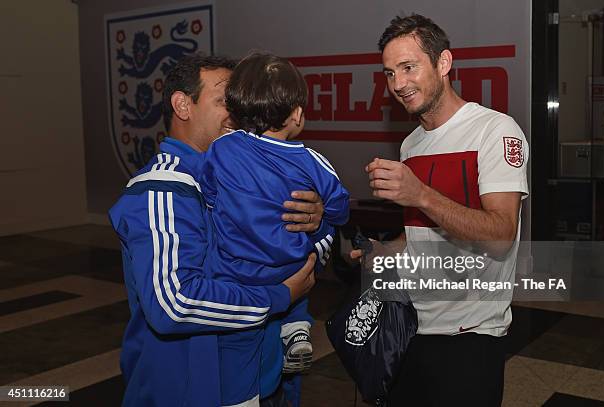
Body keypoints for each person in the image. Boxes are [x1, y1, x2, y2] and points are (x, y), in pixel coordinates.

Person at [108, 54, 326, 407]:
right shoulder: (164, 188)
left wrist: (314, 221)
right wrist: (278, 297)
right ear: (182, 105)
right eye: (225, 100)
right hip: (192, 391)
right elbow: (174, 305)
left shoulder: (246, 176)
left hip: (263, 382)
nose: (238, 112)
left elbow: (291, 259)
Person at [359, 14, 529, 406]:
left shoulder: (495, 130)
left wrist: (421, 194)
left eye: (408, 67)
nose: (398, 84)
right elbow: (424, 232)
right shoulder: (411, 145)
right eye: (389, 73)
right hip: (410, 326)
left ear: (443, 63)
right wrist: (383, 252)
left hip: (470, 334)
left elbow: (502, 235)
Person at [202, 52, 350, 406]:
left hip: (235, 279)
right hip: (291, 270)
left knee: (238, 360)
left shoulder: (221, 149)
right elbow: (341, 208)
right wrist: (325, 210)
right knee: (312, 249)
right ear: (296, 113)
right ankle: (297, 327)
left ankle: (242, 399)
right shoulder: (312, 161)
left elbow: (208, 193)